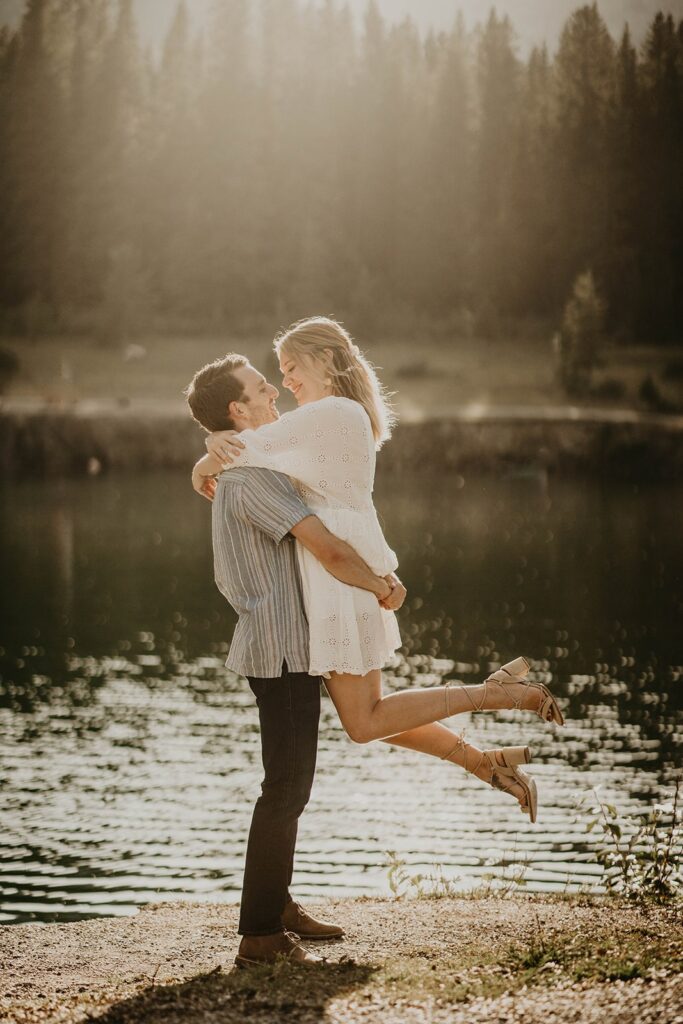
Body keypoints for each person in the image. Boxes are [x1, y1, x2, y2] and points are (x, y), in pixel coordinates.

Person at [192, 317, 564, 835]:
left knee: (366, 720)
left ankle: (495, 695)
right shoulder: (335, 414)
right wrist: (213, 450)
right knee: (370, 716)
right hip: (340, 571)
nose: (285, 382)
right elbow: (252, 452)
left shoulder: (329, 412)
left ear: (324, 360)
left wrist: (204, 457)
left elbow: (242, 450)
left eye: (292, 367)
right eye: (278, 374)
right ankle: (483, 759)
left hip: (339, 573)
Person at [185, 352, 405, 968]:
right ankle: (258, 933)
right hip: (280, 648)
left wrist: (207, 453)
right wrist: (383, 585)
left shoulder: (249, 463)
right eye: (261, 389)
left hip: (286, 645)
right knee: (284, 787)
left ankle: (277, 904)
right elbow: (329, 550)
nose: (273, 395)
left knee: (291, 785)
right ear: (238, 409)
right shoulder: (252, 479)